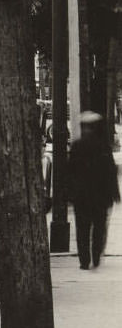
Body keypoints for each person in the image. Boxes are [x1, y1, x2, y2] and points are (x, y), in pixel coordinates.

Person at [67, 111, 120, 269]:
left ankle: (84, 260)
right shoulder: (103, 147)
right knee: (99, 227)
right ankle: (96, 255)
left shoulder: (77, 146)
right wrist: (114, 193)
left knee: (82, 228)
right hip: (100, 196)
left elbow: (70, 172)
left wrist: (70, 193)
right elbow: (110, 172)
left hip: (82, 196)